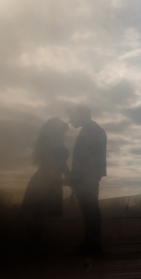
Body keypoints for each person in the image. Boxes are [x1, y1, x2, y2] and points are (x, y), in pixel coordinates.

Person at [20, 117, 70, 250]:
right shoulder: (52, 144)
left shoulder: (50, 142)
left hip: (47, 180)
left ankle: (32, 248)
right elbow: (58, 164)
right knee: (38, 214)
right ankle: (32, 249)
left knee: (37, 215)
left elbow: (58, 164)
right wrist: (69, 178)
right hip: (47, 181)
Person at [68, 105, 107, 255]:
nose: (70, 120)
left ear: (81, 115)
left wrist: (76, 176)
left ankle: (92, 245)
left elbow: (87, 158)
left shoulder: (91, 131)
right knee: (90, 211)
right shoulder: (92, 129)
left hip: (87, 178)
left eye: (72, 116)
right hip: (87, 177)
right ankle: (91, 244)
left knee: (90, 210)